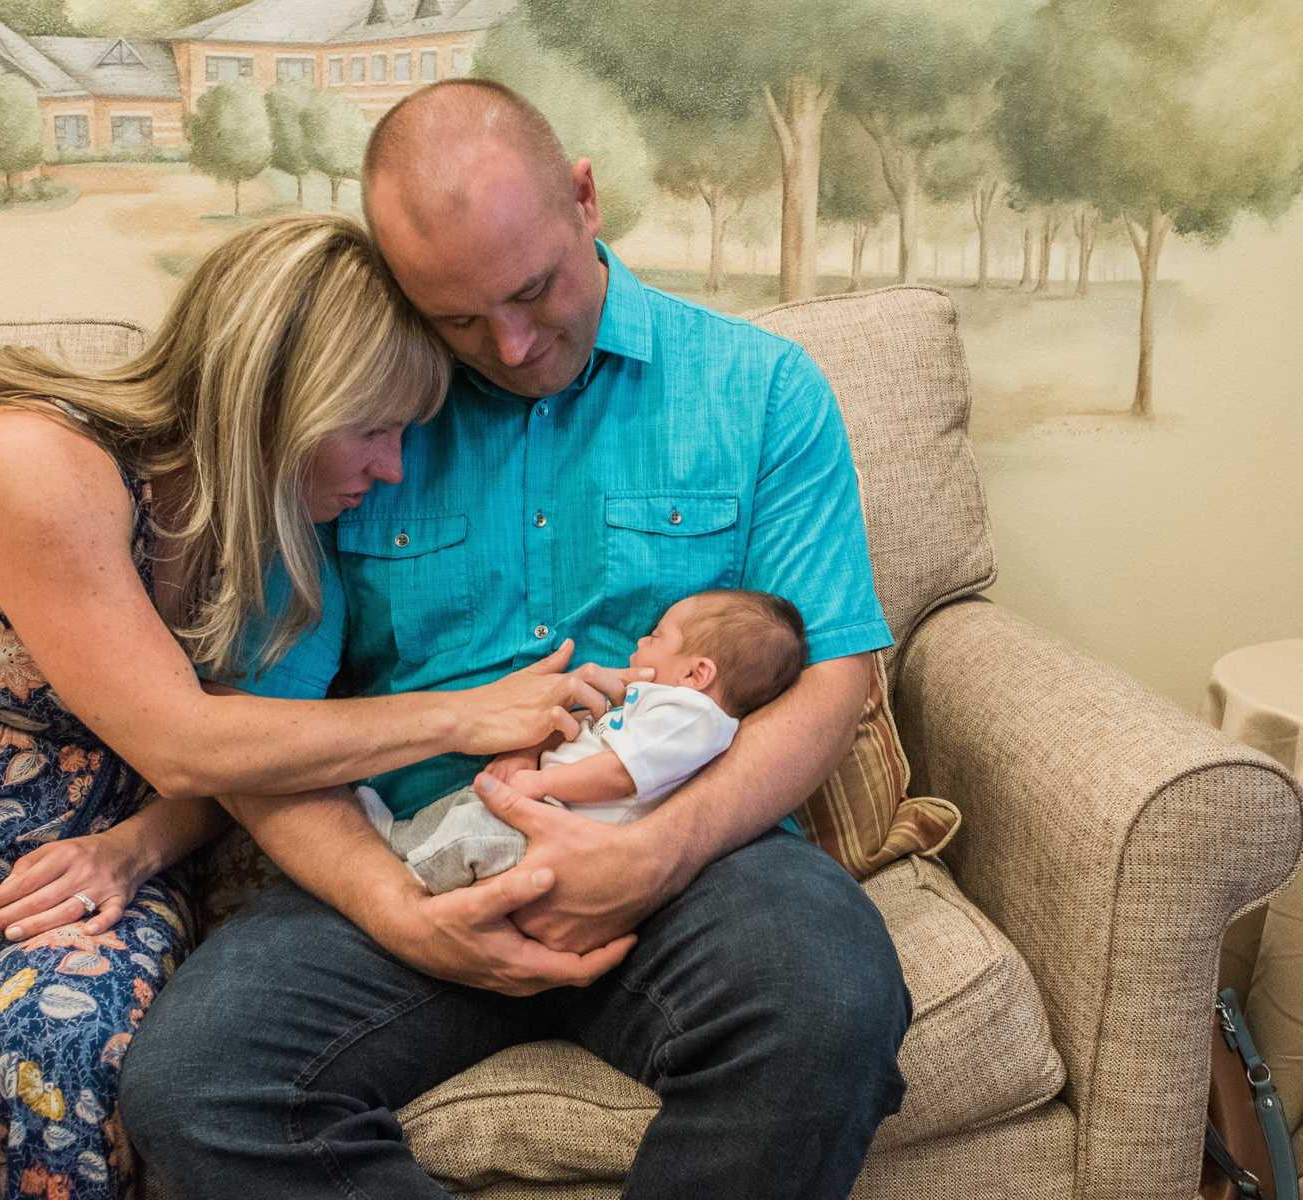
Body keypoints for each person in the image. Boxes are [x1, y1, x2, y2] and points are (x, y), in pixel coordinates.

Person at [0, 214, 627, 1200]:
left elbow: (246, 759)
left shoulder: (277, 531)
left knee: (63, 1074)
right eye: (373, 429)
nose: (392, 469)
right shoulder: (35, 456)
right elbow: (183, 740)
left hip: (99, 876)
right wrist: (464, 714)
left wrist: (135, 849)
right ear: (270, 400)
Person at [122, 82, 913, 1199]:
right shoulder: (351, 416)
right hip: (419, 855)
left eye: (532, 290)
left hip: (696, 862)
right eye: (453, 318)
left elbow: (834, 680)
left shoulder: (761, 389)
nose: (507, 343)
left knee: (830, 995)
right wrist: (399, 909)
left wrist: (658, 852)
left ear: (583, 198)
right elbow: (267, 731)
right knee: (191, 1086)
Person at [363, 589, 808, 893]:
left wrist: (540, 786)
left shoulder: (693, 718)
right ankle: (398, 837)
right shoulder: (665, 708)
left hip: (566, 832)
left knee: (469, 838)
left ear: (697, 674)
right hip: (546, 806)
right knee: (465, 807)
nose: (640, 640)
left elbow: (618, 774)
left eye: (655, 637)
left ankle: (415, 881)